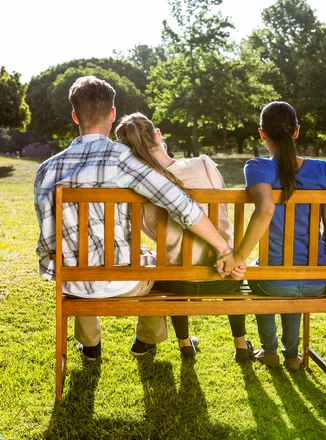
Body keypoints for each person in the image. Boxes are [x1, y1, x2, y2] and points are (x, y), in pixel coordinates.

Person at [34, 76, 238, 362]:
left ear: (75, 116)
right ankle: (146, 340)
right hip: (125, 282)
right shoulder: (125, 159)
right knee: (153, 261)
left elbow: (49, 236)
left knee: (77, 257)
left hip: (71, 282)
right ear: (112, 114)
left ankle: (90, 345)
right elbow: (180, 204)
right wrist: (224, 248)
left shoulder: (47, 169)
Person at [115, 112, 252, 362]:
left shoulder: (145, 189)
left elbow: (152, 232)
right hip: (224, 274)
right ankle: (241, 345)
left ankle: (185, 342)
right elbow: (222, 211)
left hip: (179, 283)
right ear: (158, 135)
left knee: (167, 260)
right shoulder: (204, 165)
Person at [216, 101, 326, 371]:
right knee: (289, 280)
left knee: (262, 277)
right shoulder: (321, 170)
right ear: (296, 132)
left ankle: (270, 351)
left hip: (273, 283)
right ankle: (292, 355)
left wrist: (239, 256)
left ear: (262, 134)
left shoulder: (258, 168)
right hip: (318, 280)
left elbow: (265, 208)